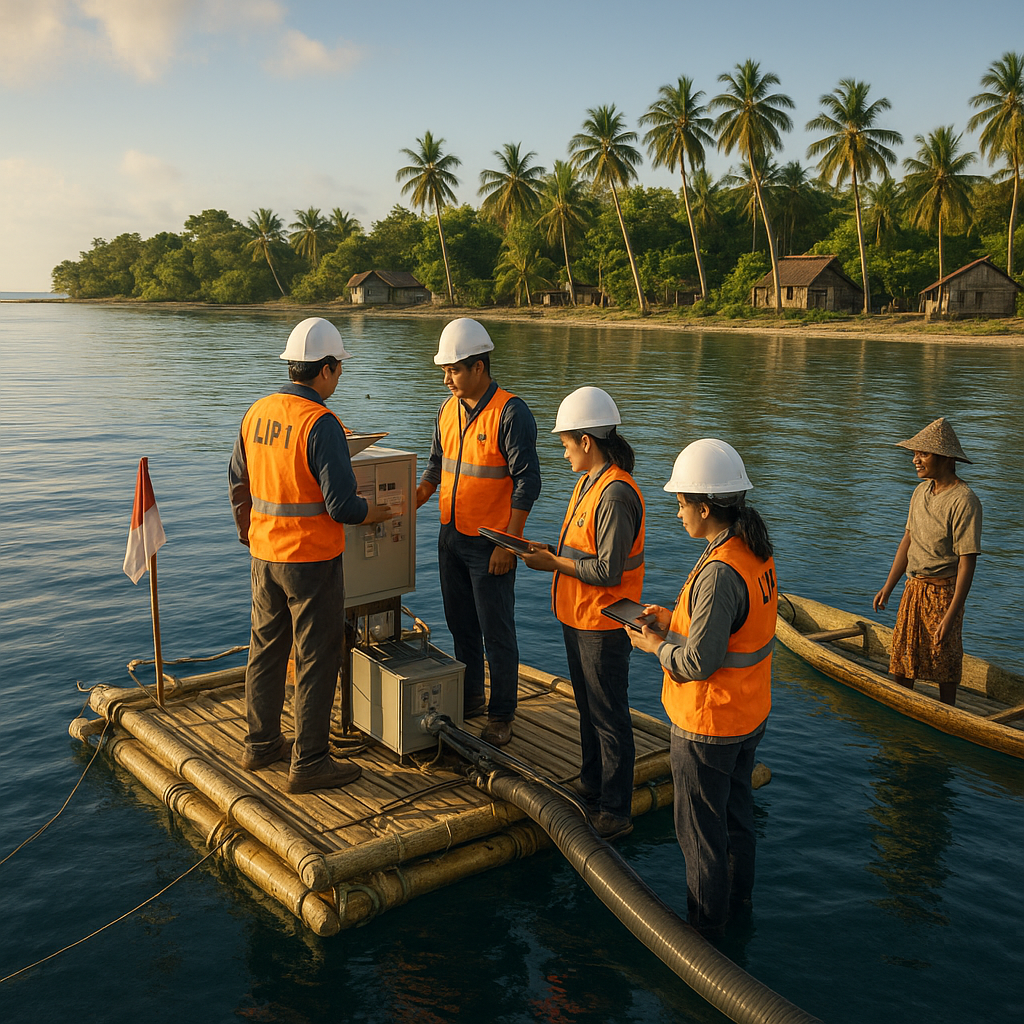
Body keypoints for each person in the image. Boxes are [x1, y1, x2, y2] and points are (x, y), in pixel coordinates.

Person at [229, 317, 392, 793]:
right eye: (339, 368)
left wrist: (250, 533)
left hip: (265, 555)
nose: (339, 377)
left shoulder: (257, 412)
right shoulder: (321, 423)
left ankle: (261, 745)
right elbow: (342, 505)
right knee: (316, 658)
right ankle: (311, 762)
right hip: (311, 560)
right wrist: (374, 512)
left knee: (266, 650)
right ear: (325, 369)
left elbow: (237, 481)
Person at [629, 439, 776, 937]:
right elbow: (733, 629)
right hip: (747, 715)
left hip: (709, 724)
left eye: (681, 503)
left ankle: (706, 933)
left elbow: (697, 661)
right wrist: (671, 619)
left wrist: (654, 645)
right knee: (737, 820)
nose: (677, 513)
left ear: (706, 507)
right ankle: (738, 906)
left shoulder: (718, 572)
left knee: (700, 836)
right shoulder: (752, 552)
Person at [520, 387, 645, 841]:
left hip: (602, 624)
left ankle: (615, 810)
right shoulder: (590, 482)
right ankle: (592, 785)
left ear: (586, 441)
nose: (564, 452)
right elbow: (583, 550)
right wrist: (548, 552)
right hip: (579, 617)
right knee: (589, 709)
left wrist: (553, 563)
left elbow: (609, 570)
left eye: (566, 443)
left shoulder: (614, 495)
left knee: (608, 717)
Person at [416, 319, 541, 747]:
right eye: (444, 371)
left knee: (496, 631)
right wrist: (412, 499)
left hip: (491, 544)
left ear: (479, 367)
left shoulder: (511, 412)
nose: (446, 379)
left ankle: (502, 714)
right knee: (460, 624)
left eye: (453, 370)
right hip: (450, 537)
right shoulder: (446, 410)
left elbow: (528, 482)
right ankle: (471, 697)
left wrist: (510, 544)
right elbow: (436, 465)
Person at [873, 417, 982, 706]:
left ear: (945, 458)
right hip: (914, 588)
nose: (915, 460)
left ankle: (948, 712)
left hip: (943, 593)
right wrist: (888, 586)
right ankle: (902, 704)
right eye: (914, 454)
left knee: (944, 656)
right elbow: (908, 541)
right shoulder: (920, 492)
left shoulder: (963, 501)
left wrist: (951, 613)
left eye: (923, 454)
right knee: (903, 656)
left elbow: (967, 562)